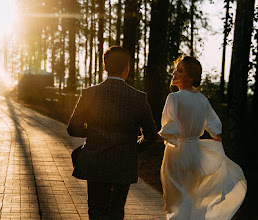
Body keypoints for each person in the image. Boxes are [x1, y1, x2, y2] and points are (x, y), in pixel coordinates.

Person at [67, 46, 158, 219]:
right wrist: (133, 148)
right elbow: (151, 135)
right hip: (123, 164)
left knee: (96, 210)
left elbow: (73, 128)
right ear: (127, 68)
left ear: (105, 67)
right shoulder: (138, 98)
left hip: (95, 161)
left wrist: (94, 133)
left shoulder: (89, 93)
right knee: (117, 211)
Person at [159, 55, 247, 220]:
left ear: (190, 77)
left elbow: (171, 128)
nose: (174, 73)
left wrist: (149, 137)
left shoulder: (174, 98)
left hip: (177, 152)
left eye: (180, 71)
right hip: (196, 153)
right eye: (175, 70)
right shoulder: (202, 99)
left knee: (176, 200)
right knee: (192, 197)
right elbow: (215, 128)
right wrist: (216, 149)